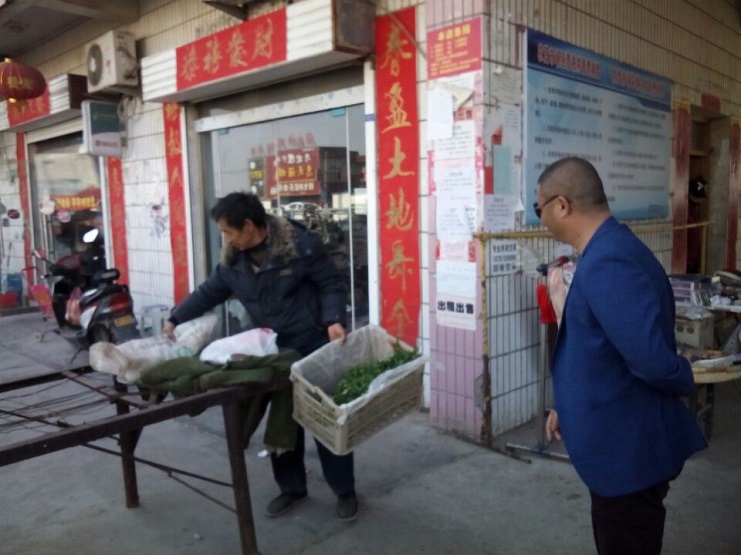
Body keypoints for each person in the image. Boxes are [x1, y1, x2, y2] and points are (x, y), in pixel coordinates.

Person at [534, 157, 707, 554]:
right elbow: (600, 348)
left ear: (562, 206)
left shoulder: (609, 260)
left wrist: (688, 374)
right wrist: (567, 406)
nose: (539, 217)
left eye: (538, 207)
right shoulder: (605, 251)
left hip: (627, 455)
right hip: (617, 444)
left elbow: (650, 360)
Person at [162, 192, 358, 521]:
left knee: (327, 418)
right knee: (283, 419)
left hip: (312, 342)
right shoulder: (233, 261)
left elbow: (330, 284)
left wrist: (334, 319)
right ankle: (292, 488)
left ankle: (344, 490)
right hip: (273, 350)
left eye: (229, 231)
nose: (226, 238)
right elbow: (209, 292)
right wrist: (176, 317)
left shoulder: (300, 246)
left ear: (250, 226)